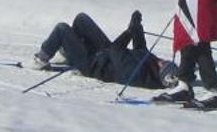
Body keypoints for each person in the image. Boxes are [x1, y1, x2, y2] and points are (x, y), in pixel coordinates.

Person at [33, 10, 165, 87]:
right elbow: (140, 49)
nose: (163, 60)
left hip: (92, 65)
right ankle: (70, 53)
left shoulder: (138, 75)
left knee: (61, 28)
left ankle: (41, 60)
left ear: (161, 72)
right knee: (81, 19)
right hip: (104, 54)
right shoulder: (152, 65)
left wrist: (130, 31)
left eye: (165, 64)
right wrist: (137, 26)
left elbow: (116, 50)